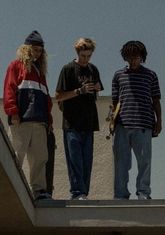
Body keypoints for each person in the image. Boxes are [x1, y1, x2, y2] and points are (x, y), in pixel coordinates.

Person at [3, 30, 53, 200]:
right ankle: (7, 188)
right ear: (27, 49)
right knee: (15, 155)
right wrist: (13, 112)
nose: (37, 53)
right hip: (21, 120)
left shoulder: (40, 73)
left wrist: (49, 120)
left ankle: (39, 190)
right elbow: (9, 90)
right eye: (34, 49)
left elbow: (47, 98)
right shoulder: (15, 66)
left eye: (40, 50)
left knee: (40, 157)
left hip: (39, 121)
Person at [112, 40, 162, 200]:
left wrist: (159, 121)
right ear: (125, 57)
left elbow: (156, 100)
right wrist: (112, 121)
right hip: (122, 124)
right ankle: (120, 195)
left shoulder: (151, 75)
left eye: (136, 57)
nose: (133, 60)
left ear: (142, 57)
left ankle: (143, 193)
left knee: (144, 162)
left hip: (144, 124)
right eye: (130, 57)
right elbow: (115, 101)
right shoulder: (119, 75)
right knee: (121, 163)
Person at [55, 38, 103, 200]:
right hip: (71, 122)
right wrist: (79, 91)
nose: (86, 59)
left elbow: (97, 93)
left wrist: (96, 89)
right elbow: (59, 96)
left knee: (87, 160)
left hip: (88, 122)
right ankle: (77, 192)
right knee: (74, 159)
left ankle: (84, 193)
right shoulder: (68, 69)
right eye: (83, 56)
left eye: (89, 56)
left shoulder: (93, 69)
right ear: (77, 53)